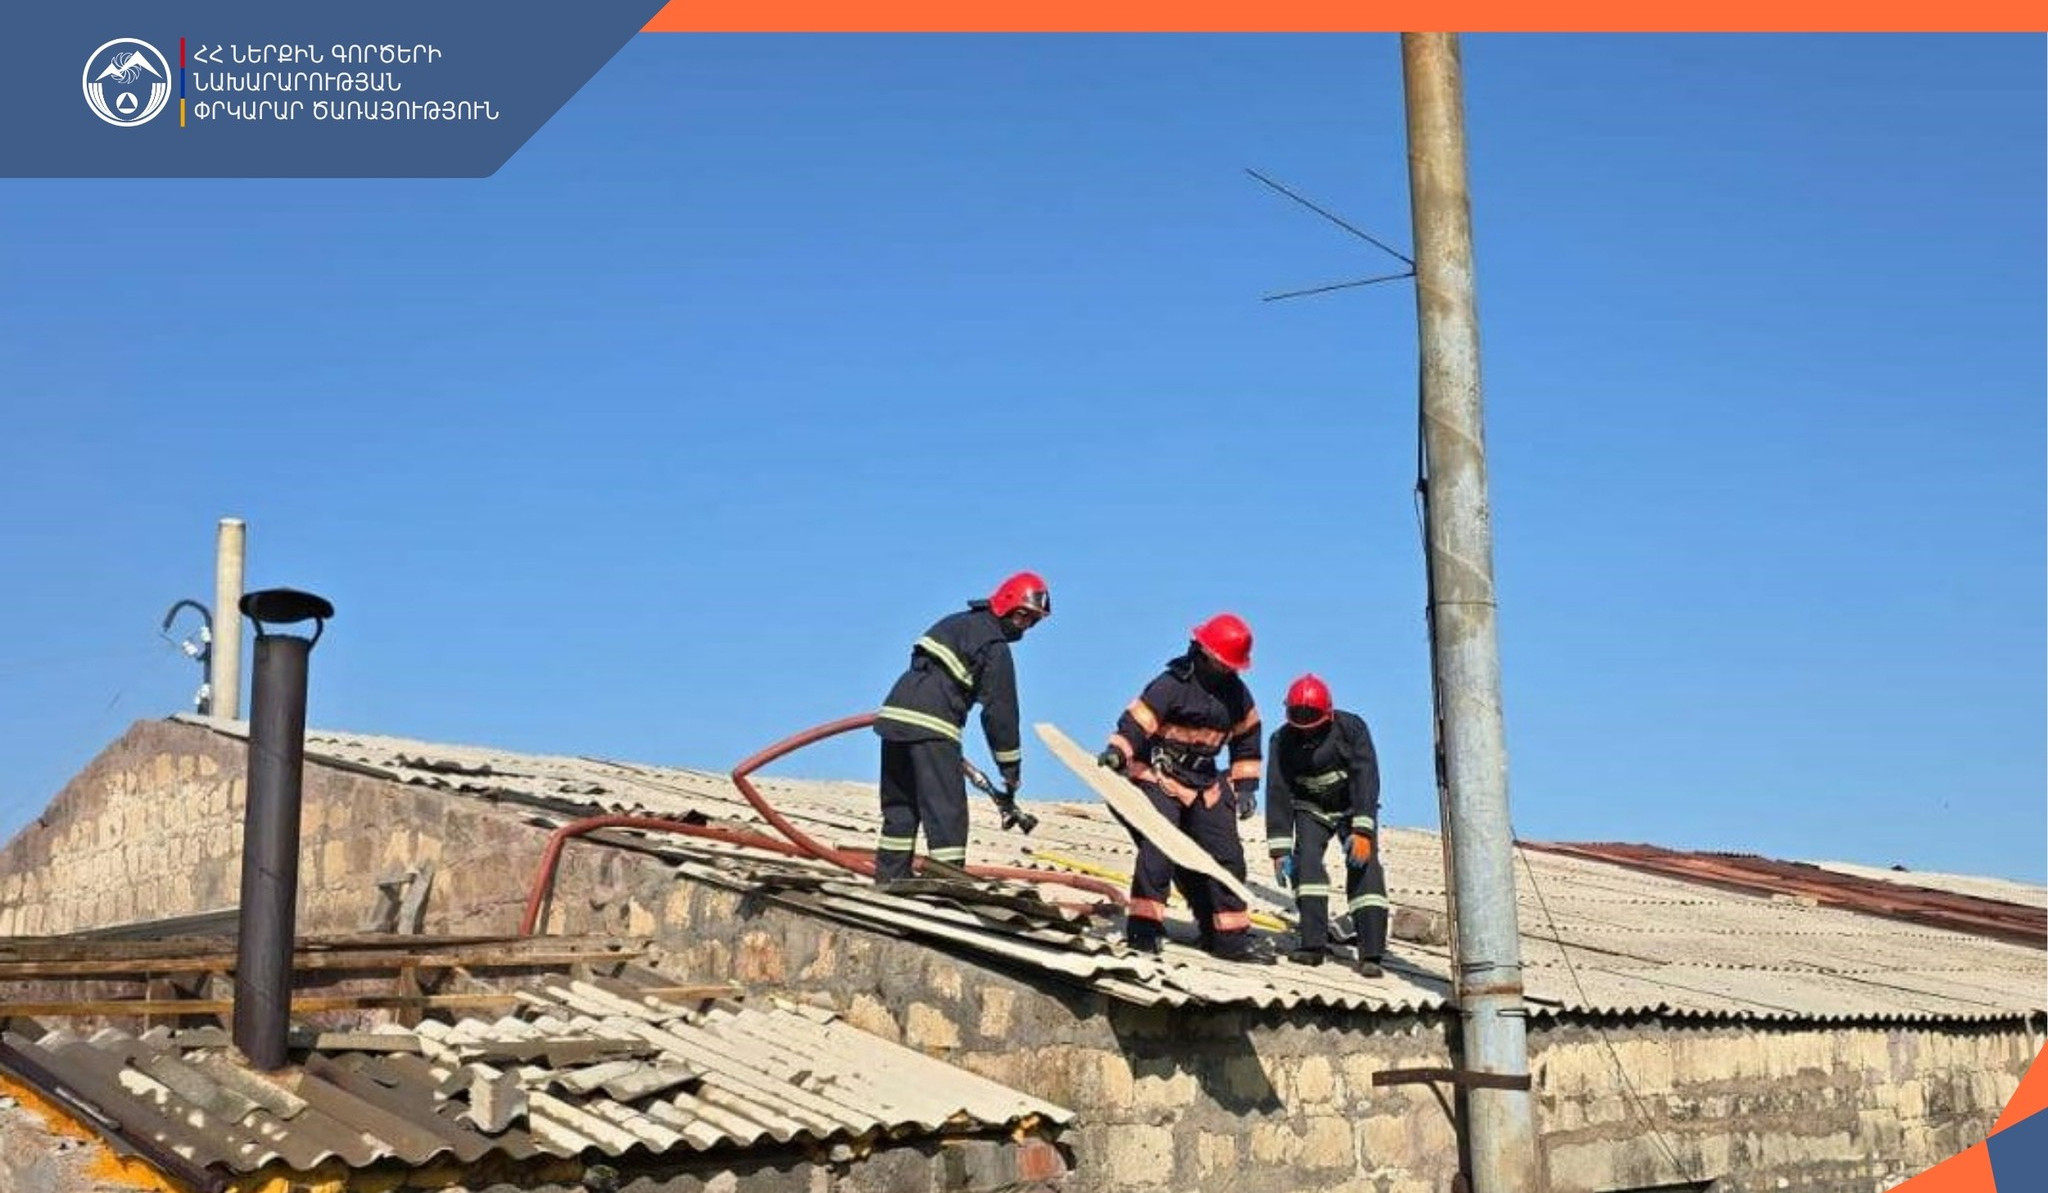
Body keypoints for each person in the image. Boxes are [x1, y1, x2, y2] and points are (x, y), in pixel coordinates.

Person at [1097, 613, 1267, 963]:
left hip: (1206, 784)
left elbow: (1248, 741)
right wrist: (1117, 753)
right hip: (1158, 777)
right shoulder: (1170, 685)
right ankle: (1144, 929)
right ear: (1205, 653)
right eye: (1224, 663)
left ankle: (1229, 939)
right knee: (1159, 847)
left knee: (1227, 858)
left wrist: (1246, 787)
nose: (1228, 670)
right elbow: (1136, 724)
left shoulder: (1238, 695)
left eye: (1233, 665)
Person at [872, 572, 1051, 884]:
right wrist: (1010, 769)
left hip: (895, 716)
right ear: (1007, 604)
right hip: (934, 724)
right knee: (946, 812)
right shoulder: (994, 645)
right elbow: (1001, 714)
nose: (1026, 626)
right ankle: (947, 885)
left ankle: (888, 879)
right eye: (1024, 616)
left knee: (900, 808)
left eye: (1033, 621)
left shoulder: (956, 623)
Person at [1264, 672, 1390, 975]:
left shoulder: (1352, 729)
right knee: (1306, 864)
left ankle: (1371, 954)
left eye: (1313, 721)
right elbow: (1278, 792)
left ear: (1328, 714)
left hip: (1351, 808)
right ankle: (1312, 946)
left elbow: (1365, 778)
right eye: (1299, 720)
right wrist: (1279, 850)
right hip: (1311, 809)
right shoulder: (1281, 741)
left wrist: (1362, 830)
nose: (1307, 729)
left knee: (1365, 868)